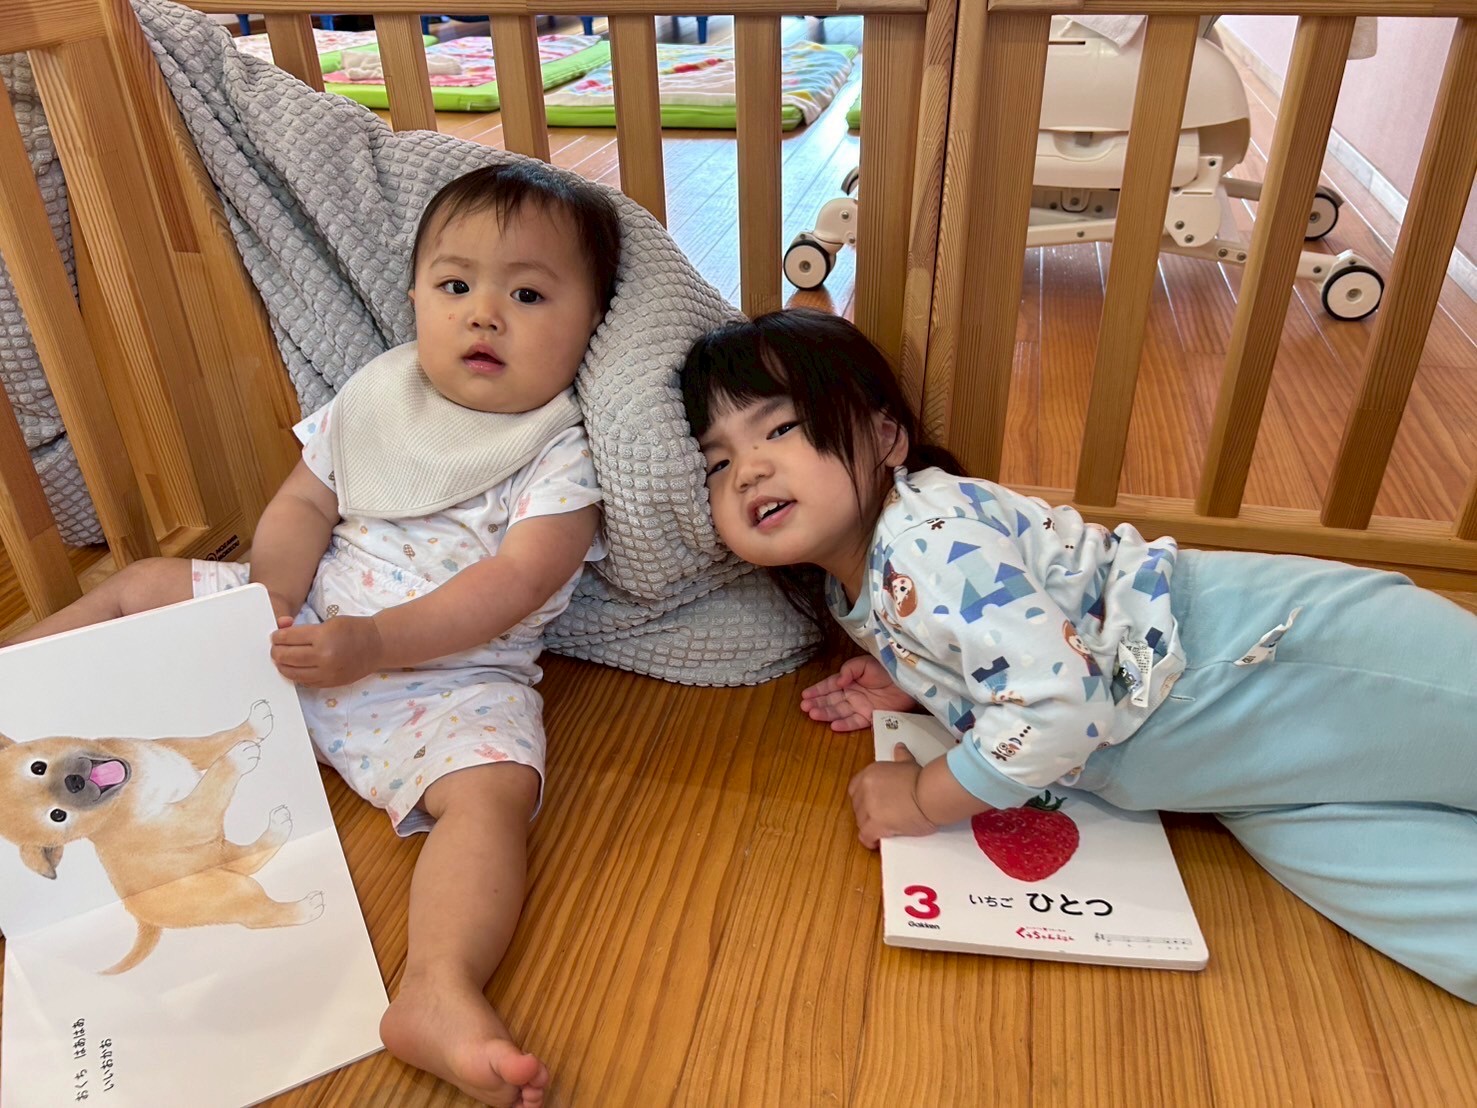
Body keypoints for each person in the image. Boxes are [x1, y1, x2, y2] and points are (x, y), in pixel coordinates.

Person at [11, 161, 623, 1105]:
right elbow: (302, 503)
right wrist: (269, 595)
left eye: (528, 295)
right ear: (414, 298)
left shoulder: (558, 451)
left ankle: (437, 988)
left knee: (494, 791)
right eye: (454, 285)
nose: (483, 315)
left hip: (445, 683)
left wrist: (376, 645)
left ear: (592, 326)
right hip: (294, 634)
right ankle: (14, 682)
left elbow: (516, 582)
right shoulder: (373, 401)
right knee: (140, 585)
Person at [679, 307, 1477, 1004]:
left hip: (1272, 656)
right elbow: (1010, 633)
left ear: (886, 436)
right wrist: (917, 678)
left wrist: (923, 798)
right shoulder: (861, 579)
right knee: (1427, 917)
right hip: (1228, 762)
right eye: (718, 461)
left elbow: (1057, 705)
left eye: (779, 429)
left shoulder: (926, 537)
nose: (748, 469)